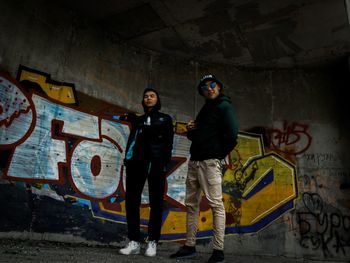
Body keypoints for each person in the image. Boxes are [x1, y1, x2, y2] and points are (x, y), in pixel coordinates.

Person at [170, 75, 238, 263]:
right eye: (205, 87)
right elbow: (201, 135)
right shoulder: (206, 108)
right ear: (201, 91)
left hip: (209, 163)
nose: (209, 89)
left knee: (216, 205)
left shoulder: (224, 106)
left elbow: (232, 136)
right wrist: (192, 129)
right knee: (191, 205)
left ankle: (218, 250)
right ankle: (189, 246)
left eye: (213, 85)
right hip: (194, 161)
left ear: (219, 86)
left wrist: (216, 154)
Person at [119, 88, 174, 257]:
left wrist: (163, 164)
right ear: (143, 101)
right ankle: (134, 242)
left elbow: (168, 144)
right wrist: (128, 159)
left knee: (156, 203)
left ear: (157, 100)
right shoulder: (139, 120)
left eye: (152, 96)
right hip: (136, 164)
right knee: (131, 202)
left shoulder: (165, 119)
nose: (148, 98)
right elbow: (133, 140)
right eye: (146, 96)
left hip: (156, 165)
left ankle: (152, 242)